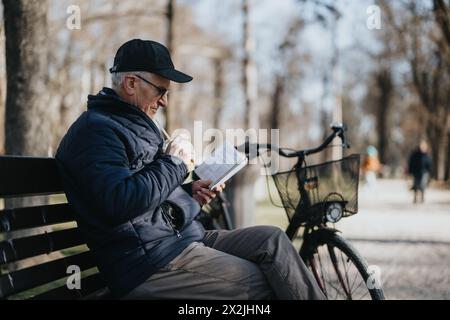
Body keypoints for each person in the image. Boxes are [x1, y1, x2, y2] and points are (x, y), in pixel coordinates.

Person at [55, 39, 325, 300]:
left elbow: (149, 199)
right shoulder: (96, 131)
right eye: (161, 90)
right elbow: (120, 201)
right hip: (147, 263)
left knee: (272, 241)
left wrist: (190, 193)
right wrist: (174, 164)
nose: (164, 102)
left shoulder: (129, 125)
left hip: (179, 241)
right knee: (263, 281)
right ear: (131, 83)